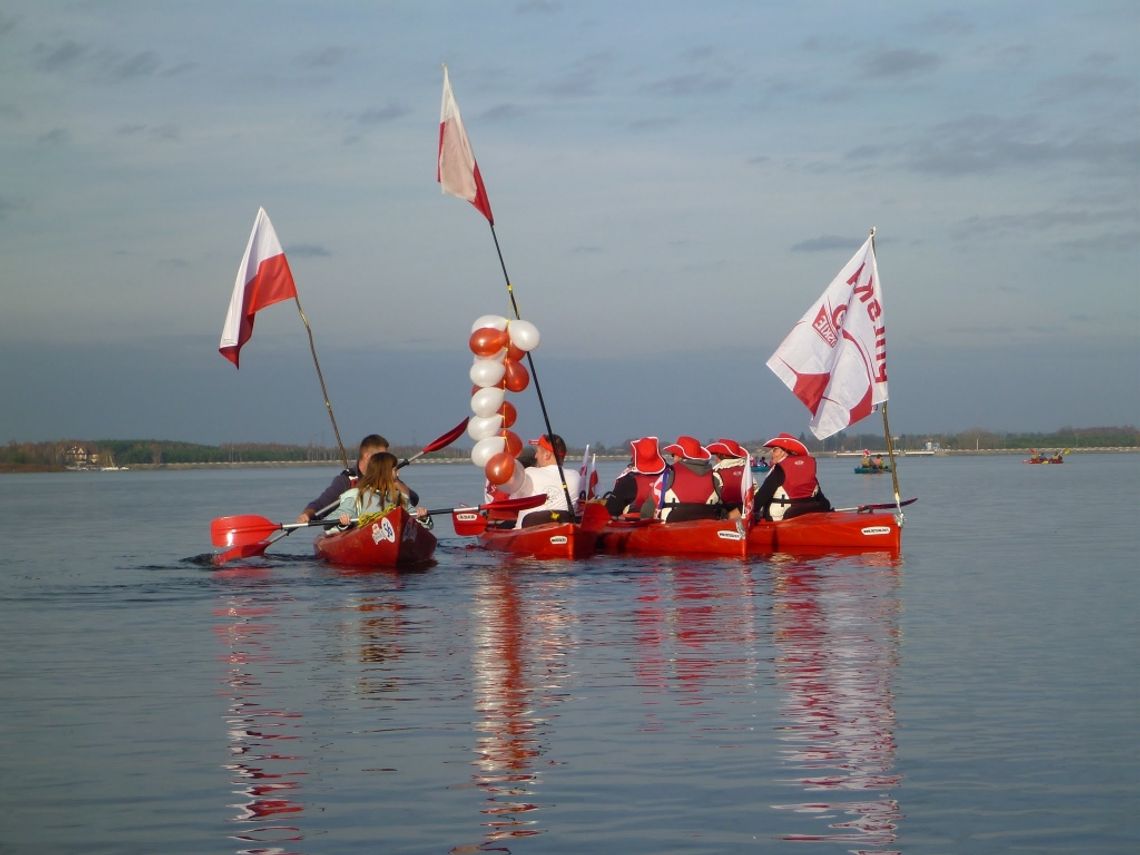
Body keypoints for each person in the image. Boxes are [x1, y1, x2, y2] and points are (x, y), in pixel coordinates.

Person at [297, 434, 419, 523]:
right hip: (354, 530)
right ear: (368, 456)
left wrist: (395, 481)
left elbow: (412, 499)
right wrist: (307, 515)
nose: (385, 460)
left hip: (386, 529)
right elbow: (321, 505)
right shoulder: (346, 480)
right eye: (382, 456)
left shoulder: (389, 477)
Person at [331, 452, 427, 530]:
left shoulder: (399, 497)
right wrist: (343, 523)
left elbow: (418, 522)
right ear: (383, 472)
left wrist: (422, 517)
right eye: (394, 470)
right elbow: (329, 523)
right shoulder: (356, 496)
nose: (398, 473)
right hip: (365, 543)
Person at [752, 433, 831, 521]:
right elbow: (824, 501)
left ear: (784, 452)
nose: (771, 453)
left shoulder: (779, 470)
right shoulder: (807, 470)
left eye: (775, 450)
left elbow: (760, 499)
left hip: (781, 519)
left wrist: (749, 513)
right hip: (807, 515)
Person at [509, 434, 582, 528]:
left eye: (538, 452)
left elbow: (513, 502)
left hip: (527, 532)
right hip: (562, 530)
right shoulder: (576, 476)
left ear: (547, 455)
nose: (535, 456)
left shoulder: (528, 473)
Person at [656, 435, 721, 522]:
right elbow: (721, 504)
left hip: (672, 528)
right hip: (707, 527)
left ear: (679, 456)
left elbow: (650, 505)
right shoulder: (715, 476)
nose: (673, 458)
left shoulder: (668, 474)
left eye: (673, 455)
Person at [604, 436, 667, 518]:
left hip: (637, 524)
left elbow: (611, 511)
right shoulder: (671, 474)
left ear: (635, 456)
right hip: (665, 520)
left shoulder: (627, 481)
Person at [706, 438, 750, 517]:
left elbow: (710, 497)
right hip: (745, 511)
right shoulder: (746, 471)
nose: (716, 457)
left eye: (717, 454)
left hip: (725, 513)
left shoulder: (716, 472)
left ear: (721, 455)